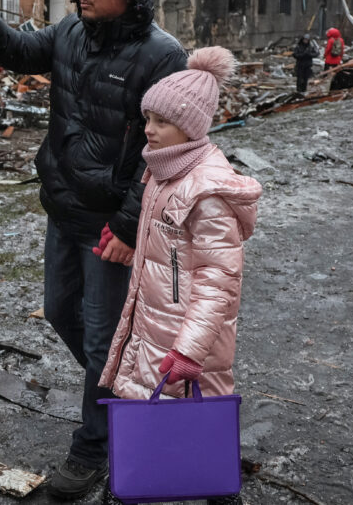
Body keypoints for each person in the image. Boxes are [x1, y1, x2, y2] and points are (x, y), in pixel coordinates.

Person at [0, 0, 187, 501]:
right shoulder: (71, 33)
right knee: (58, 313)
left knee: (101, 339)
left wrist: (127, 226)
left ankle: (93, 447)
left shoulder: (162, 55)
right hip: (65, 208)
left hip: (109, 226)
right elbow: (19, 52)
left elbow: (168, 153)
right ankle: (122, 395)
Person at [98, 46, 262, 505]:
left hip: (187, 337)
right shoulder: (165, 171)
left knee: (199, 407)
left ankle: (213, 488)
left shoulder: (206, 192)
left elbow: (218, 284)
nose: (148, 129)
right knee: (158, 409)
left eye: (160, 122)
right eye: (146, 117)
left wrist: (189, 349)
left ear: (189, 127)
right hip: (156, 321)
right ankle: (147, 480)